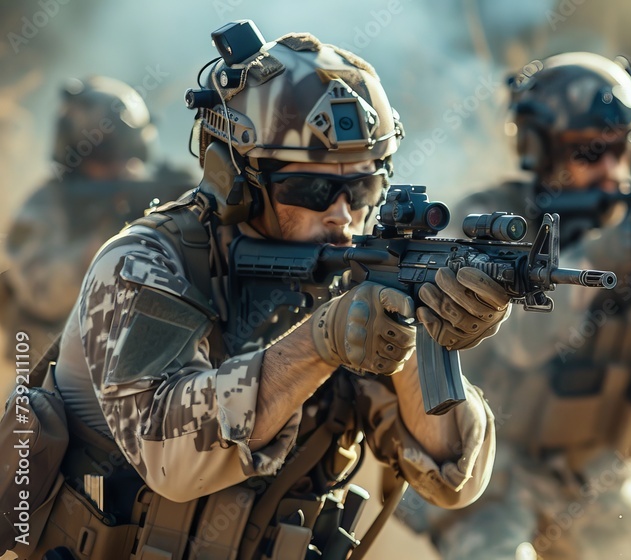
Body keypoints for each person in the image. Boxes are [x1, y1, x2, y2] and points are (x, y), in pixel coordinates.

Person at [28, 24, 507, 559]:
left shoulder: (353, 275)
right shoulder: (146, 264)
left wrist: (413, 335)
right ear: (240, 178)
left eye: (364, 187)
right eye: (313, 188)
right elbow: (173, 460)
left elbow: (452, 477)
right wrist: (321, 343)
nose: (343, 214)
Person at [395, 52, 631, 559]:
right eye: (590, 152)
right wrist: (602, 256)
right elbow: (517, 344)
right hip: (490, 475)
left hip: (587, 479)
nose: (611, 169)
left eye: (622, 150)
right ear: (542, 151)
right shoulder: (490, 220)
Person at [0, 76, 189, 367]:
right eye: (110, 159)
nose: (125, 169)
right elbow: (44, 296)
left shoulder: (139, 191)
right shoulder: (44, 205)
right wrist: (109, 232)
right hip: (49, 372)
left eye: (129, 157)